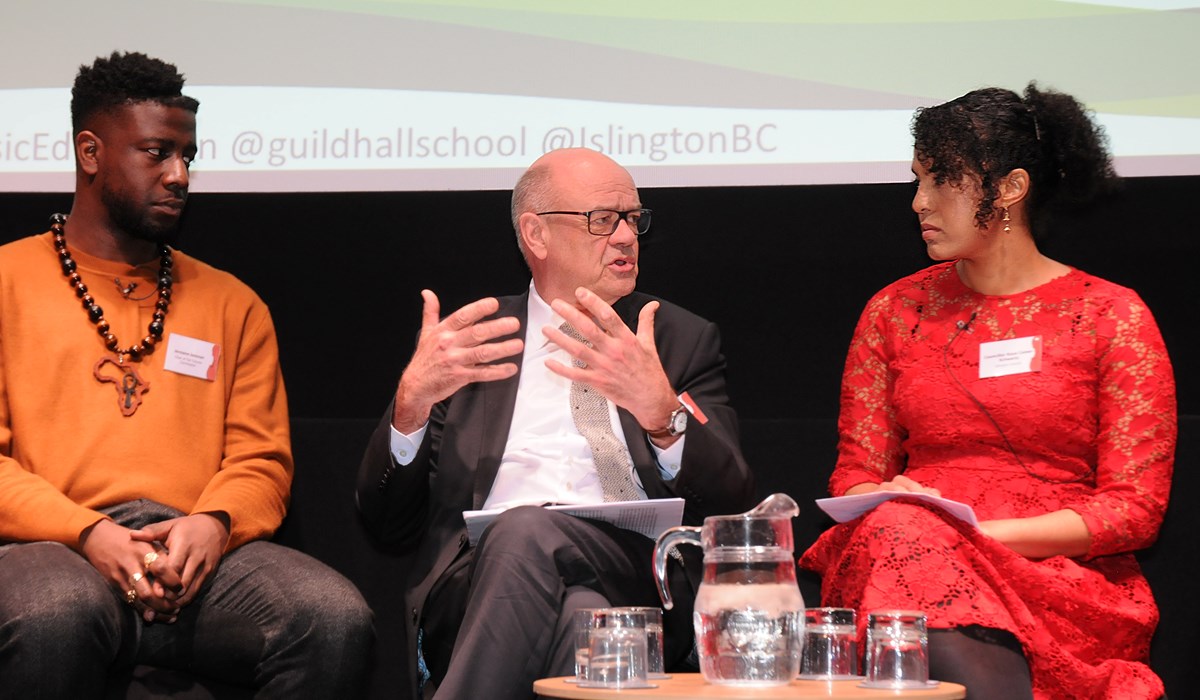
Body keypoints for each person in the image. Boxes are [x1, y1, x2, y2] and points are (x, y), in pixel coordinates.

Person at [0, 52, 372, 696]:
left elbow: (261, 460)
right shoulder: (7, 282)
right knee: (54, 612)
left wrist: (215, 522)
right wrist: (89, 533)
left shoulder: (233, 303)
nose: (179, 176)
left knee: (332, 618)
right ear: (90, 153)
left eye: (187, 157)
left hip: (199, 557)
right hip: (50, 548)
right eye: (156, 153)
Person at [799, 83, 1175, 699]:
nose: (918, 202)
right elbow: (854, 480)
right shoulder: (894, 312)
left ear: (1009, 188)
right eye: (916, 179)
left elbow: (1133, 511)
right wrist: (887, 499)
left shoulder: (1112, 315)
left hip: (1056, 578)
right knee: (896, 530)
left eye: (940, 180)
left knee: (906, 534)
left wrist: (969, 536)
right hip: (905, 557)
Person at [357, 147, 755, 699]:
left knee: (525, 529)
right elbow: (387, 523)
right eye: (602, 220)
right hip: (479, 585)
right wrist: (409, 410)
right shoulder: (474, 343)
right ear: (536, 235)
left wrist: (663, 416)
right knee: (584, 618)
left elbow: (731, 500)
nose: (625, 237)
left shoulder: (677, 338)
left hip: (637, 568)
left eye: (633, 219)